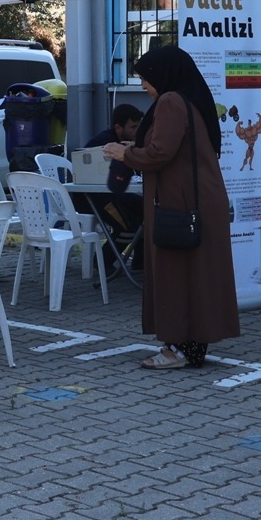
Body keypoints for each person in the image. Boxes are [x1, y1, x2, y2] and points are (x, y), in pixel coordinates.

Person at [104, 46, 239, 369]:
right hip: (198, 201)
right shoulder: (190, 99)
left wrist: (126, 155)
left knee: (176, 276)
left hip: (180, 204)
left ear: (163, 75)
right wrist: (136, 148)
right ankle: (190, 347)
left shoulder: (170, 101)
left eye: (145, 78)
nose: (142, 85)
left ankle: (177, 349)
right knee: (197, 277)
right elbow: (174, 147)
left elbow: (160, 153)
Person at [83, 104, 142, 237]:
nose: (137, 131)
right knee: (130, 227)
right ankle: (111, 252)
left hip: (114, 193)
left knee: (147, 214)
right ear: (118, 127)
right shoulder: (103, 144)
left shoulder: (128, 142)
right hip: (95, 197)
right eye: (133, 127)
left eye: (139, 126)